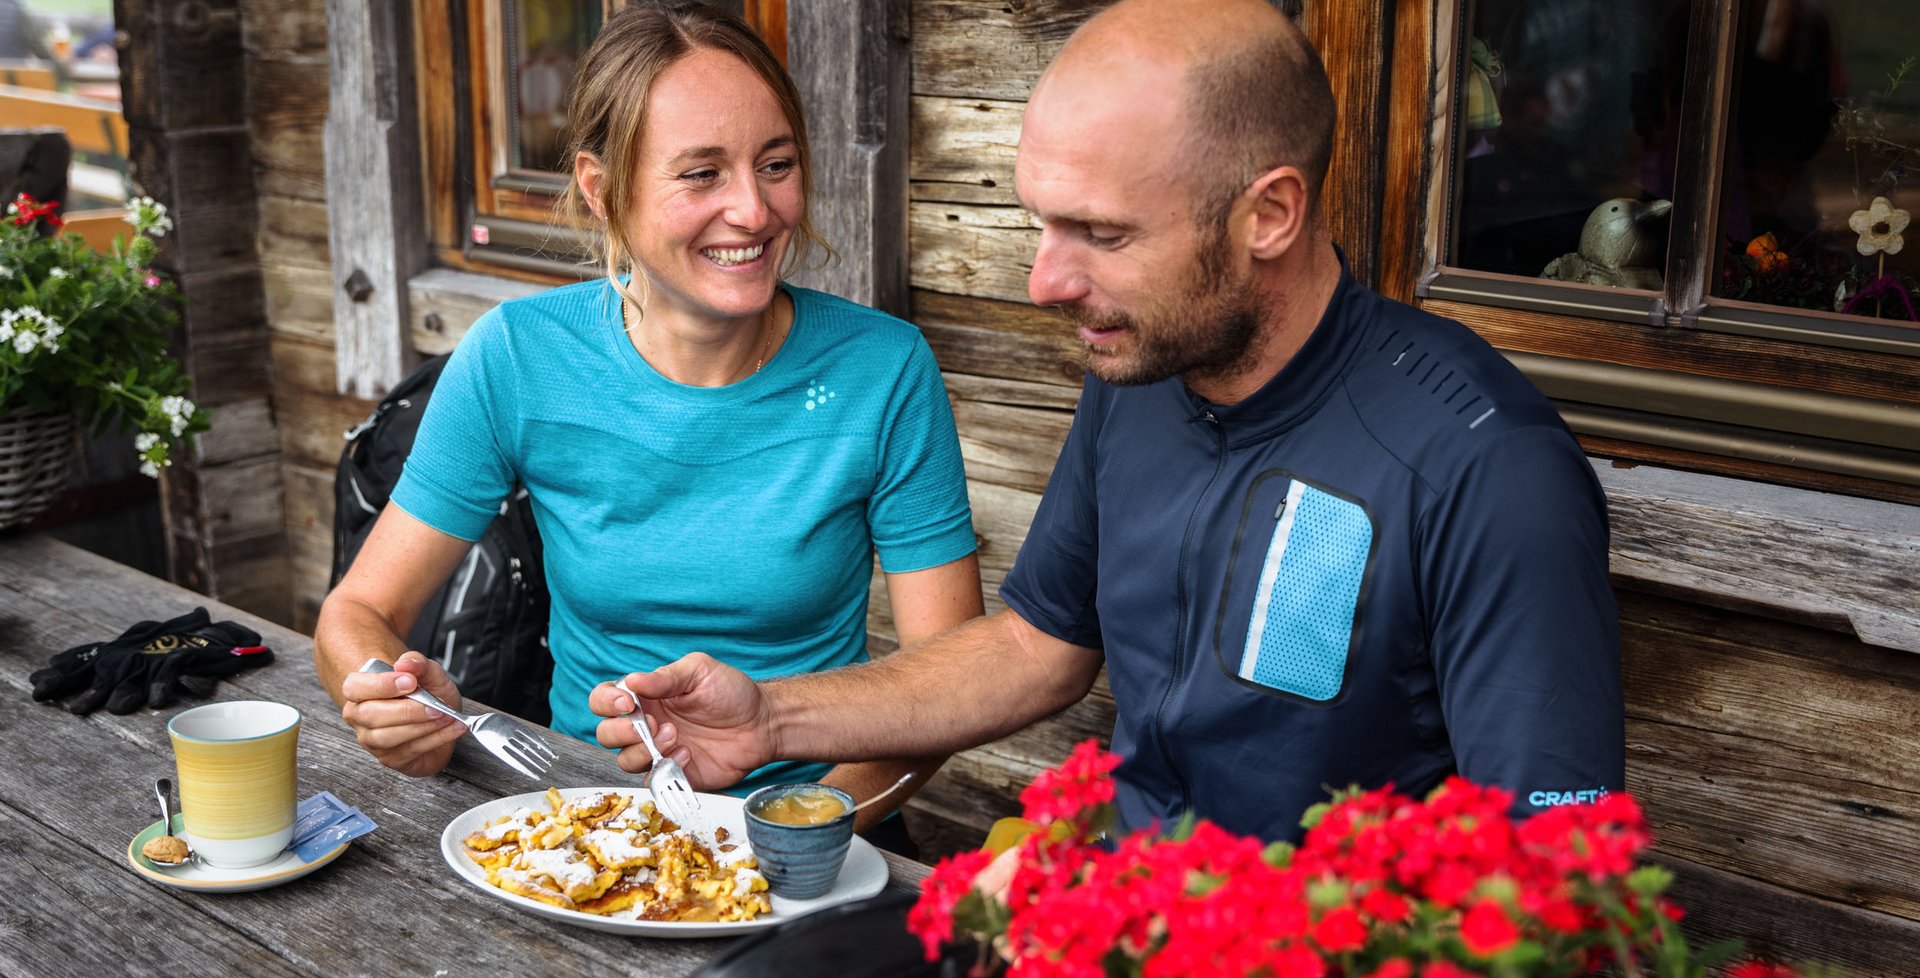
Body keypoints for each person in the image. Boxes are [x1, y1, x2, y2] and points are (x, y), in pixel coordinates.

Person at [587, 0, 1625, 844]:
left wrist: (1183, 929)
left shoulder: (1486, 470)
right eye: (1042, 220)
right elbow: (1038, 646)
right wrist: (772, 717)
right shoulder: (1143, 371)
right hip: (1114, 965)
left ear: (1269, 214)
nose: (1045, 280)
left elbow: (1558, 879)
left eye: (1101, 233)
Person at [314, 1, 982, 853]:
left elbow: (951, 684)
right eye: (701, 174)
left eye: (775, 164)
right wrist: (384, 690)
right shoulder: (519, 356)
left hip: (817, 832)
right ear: (602, 191)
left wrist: (778, 837)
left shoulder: (881, 371)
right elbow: (358, 610)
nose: (753, 209)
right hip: (579, 822)